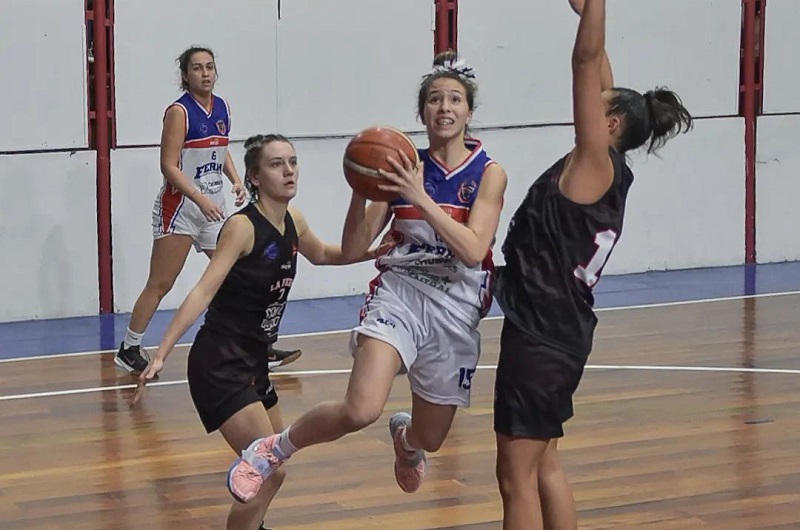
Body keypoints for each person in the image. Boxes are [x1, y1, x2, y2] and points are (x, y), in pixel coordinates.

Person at [223, 50, 508, 504]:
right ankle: (271, 450)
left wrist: (418, 195)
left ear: (469, 112)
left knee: (432, 438)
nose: (445, 107)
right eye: (435, 99)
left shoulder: (489, 174)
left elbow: (474, 249)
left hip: (456, 305)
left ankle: (407, 442)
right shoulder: (397, 164)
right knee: (361, 409)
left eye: (455, 99)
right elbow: (355, 249)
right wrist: (362, 189)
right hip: (401, 295)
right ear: (423, 111)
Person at [491, 1, 693, 528]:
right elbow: (599, 63)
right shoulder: (612, 168)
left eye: (596, 106)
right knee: (545, 463)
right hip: (561, 331)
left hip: (541, 335)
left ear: (610, 123)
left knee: (514, 479)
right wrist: (586, 13)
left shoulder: (592, 162)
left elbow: (585, 63)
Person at [129, 134, 382, 530]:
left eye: (293, 162)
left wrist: (370, 252)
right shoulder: (243, 228)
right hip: (220, 365)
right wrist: (161, 351)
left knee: (275, 461)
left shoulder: (294, 222)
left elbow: (329, 254)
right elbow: (203, 289)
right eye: (277, 164)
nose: (289, 170)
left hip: (253, 364)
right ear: (254, 177)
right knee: (269, 469)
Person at [114, 46, 247, 374]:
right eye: (198, 68)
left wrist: (235, 180)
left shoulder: (223, 107)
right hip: (182, 207)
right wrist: (199, 199)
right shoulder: (179, 112)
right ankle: (130, 347)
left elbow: (221, 147)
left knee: (237, 274)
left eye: (210, 67)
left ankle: (251, 341)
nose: (205, 73)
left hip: (213, 207)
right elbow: (168, 166)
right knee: (161, 283)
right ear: (185, 76)